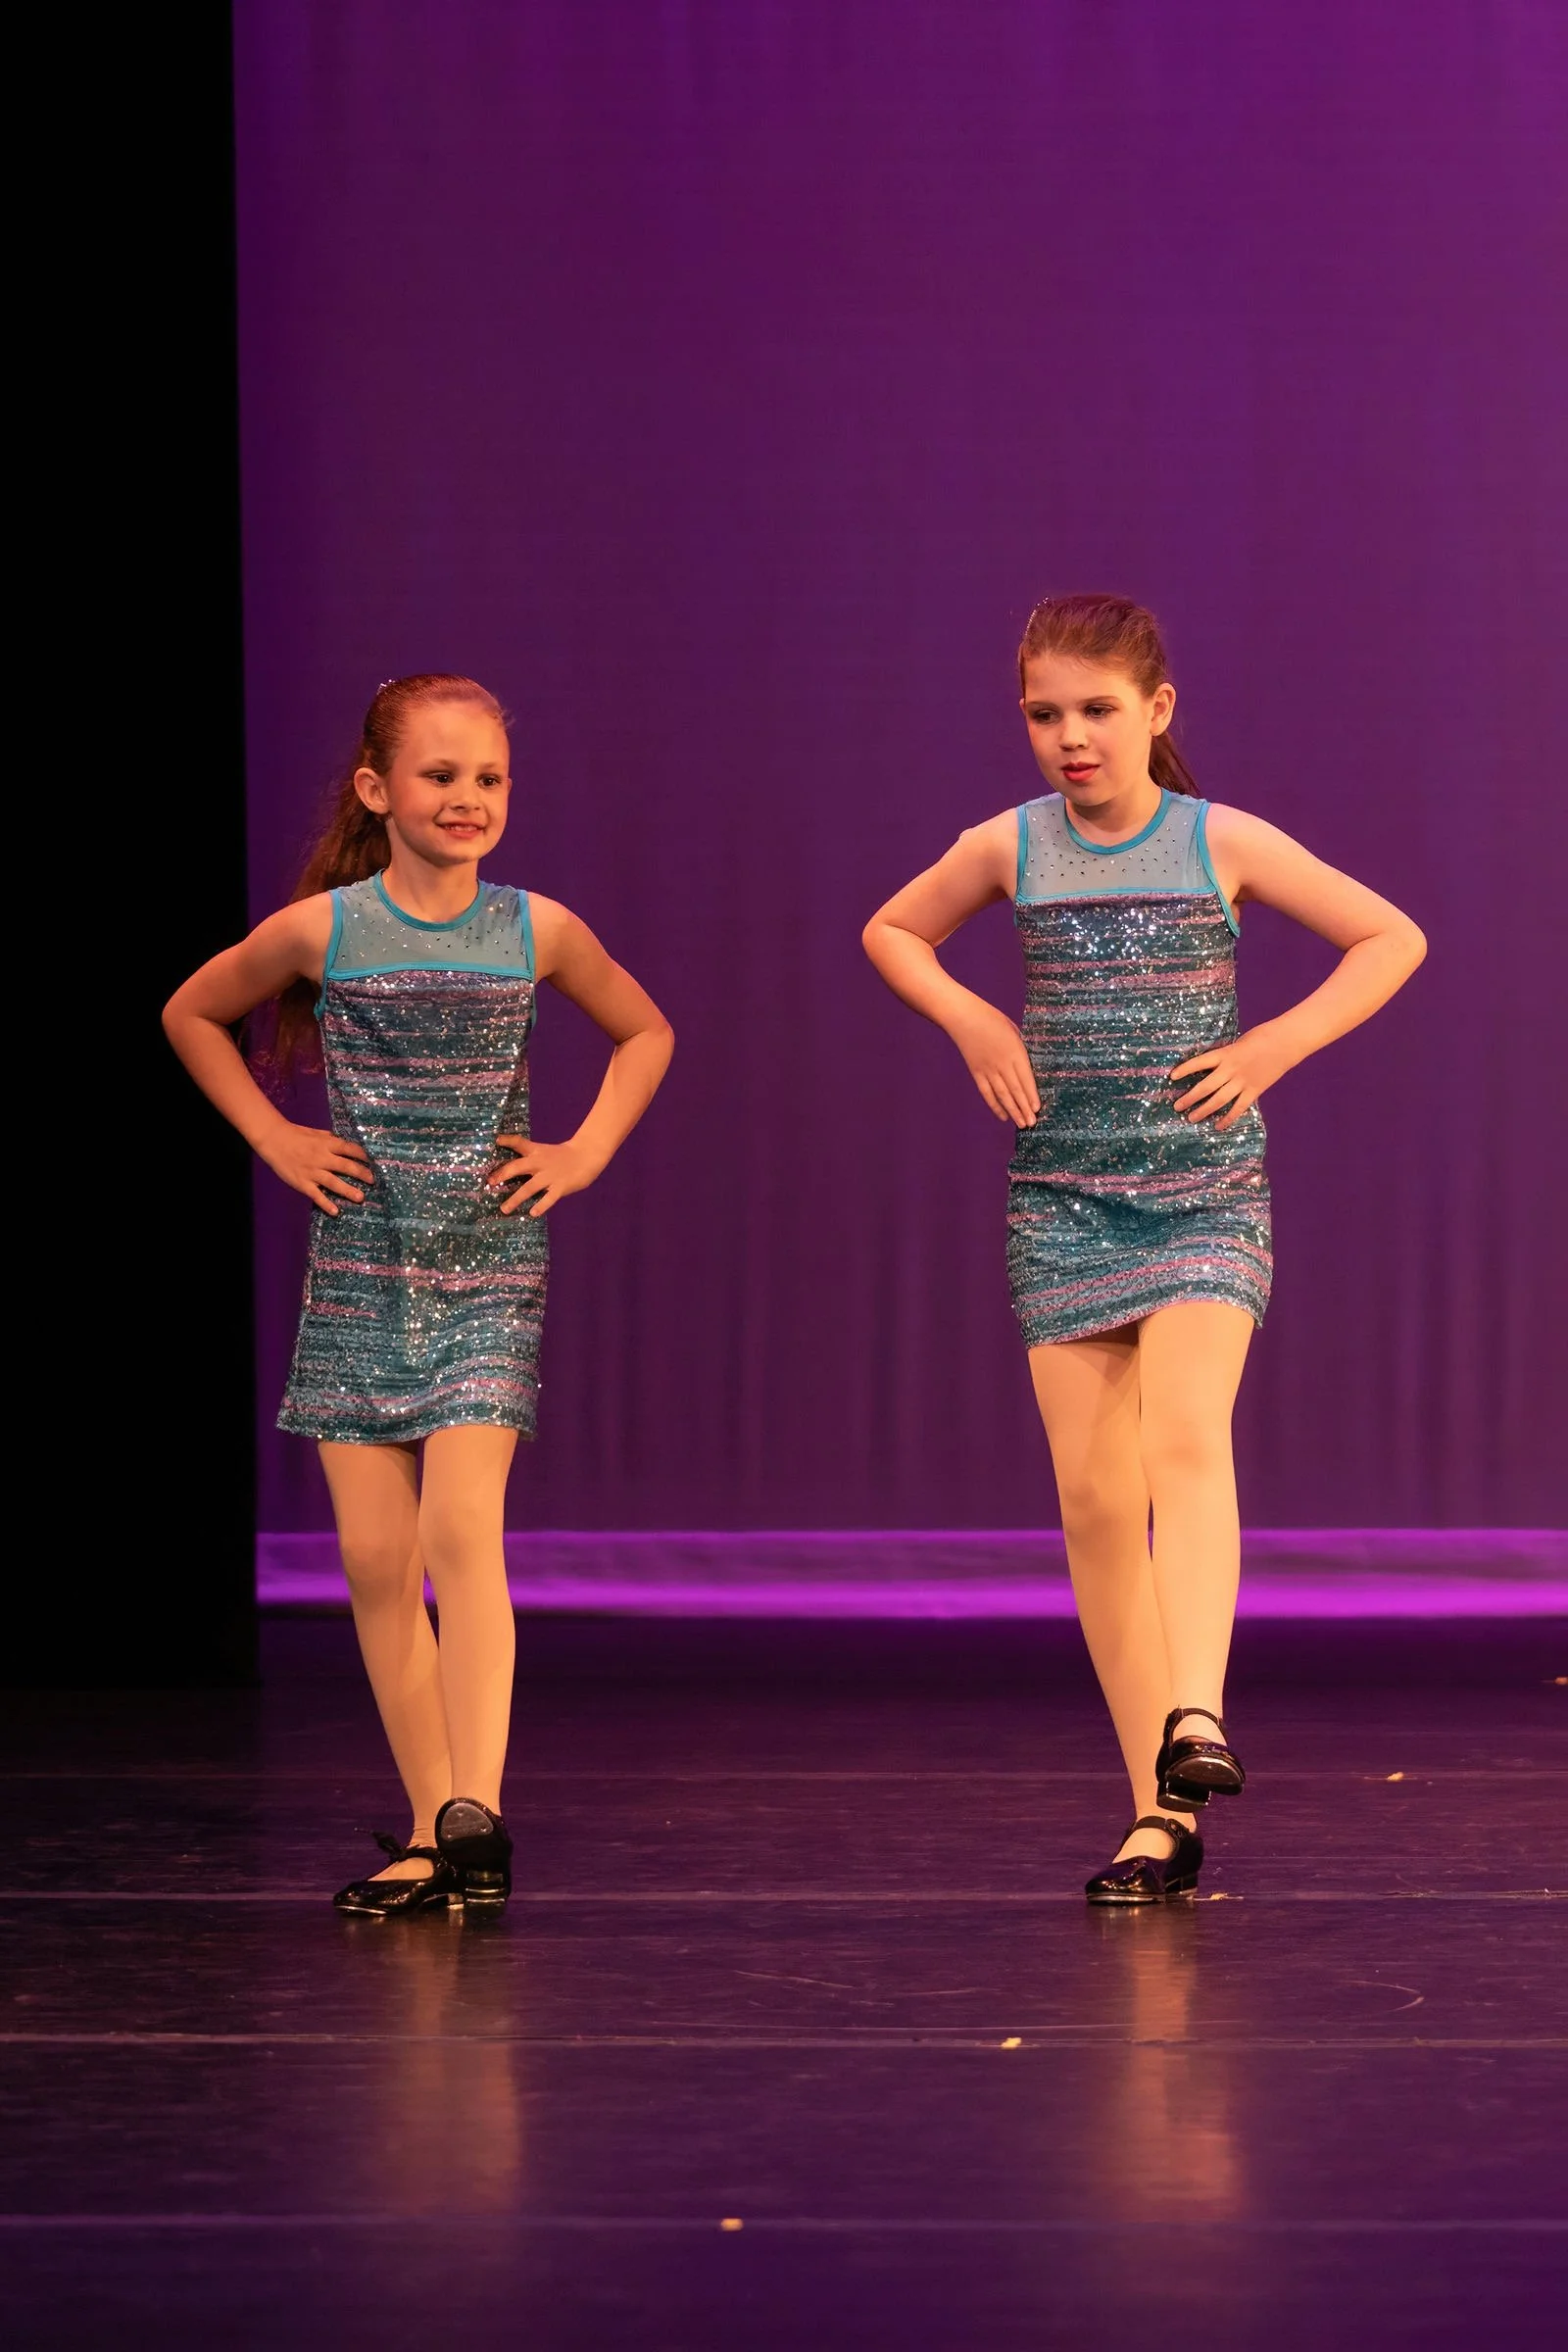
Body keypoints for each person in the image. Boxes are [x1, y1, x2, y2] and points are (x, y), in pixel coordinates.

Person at [862, 595, 1424, 1903]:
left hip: (1201, 1193)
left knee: (1182, 1430)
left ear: (1156, 710)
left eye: (1098, 711)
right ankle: (1157, 1815)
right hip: (1062, 1197)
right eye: (1045, 714)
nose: (1071, 738)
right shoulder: (1009, 846)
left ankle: (1198, 1708)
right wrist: (972, 1019)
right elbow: (892, 929)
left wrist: (1273, 1043)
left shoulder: (1218, 839)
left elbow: (1389, 935)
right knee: (1099, 1506)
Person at [165, 673, 673, 1914]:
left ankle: (473, 1814)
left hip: (487, 1260)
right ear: (376, 789)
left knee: (459, 1531)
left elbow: (645, 1031)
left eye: (488, 778)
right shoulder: (323, 929)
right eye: (440, 776)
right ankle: (427, 1826)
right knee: (378, 1562)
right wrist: (274, 1136)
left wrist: (581, 1153)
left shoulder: (535, 929)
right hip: (360, 1268)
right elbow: (192, 1011)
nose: (467, 798)